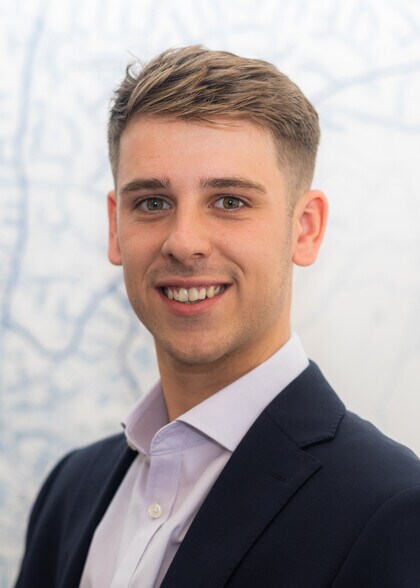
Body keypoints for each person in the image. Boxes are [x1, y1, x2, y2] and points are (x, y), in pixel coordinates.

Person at [15, 46, 420, 588]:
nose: (184, 242)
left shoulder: (392, 511)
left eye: (230, 201)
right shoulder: (69, 491)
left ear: (305, 229)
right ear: (115, 228)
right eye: (152, 202)